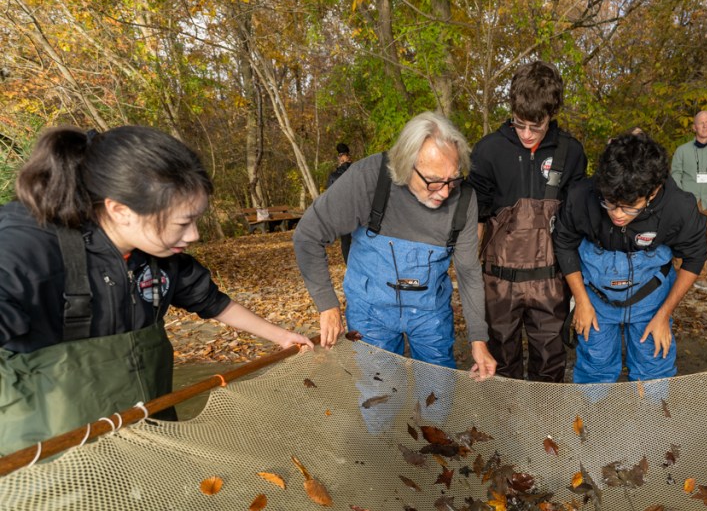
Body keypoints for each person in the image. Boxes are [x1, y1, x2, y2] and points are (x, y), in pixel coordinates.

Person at [0, 126, 314, 455]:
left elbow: (212, 302)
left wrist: (280, 336)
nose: (193, 235)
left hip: (146, 431)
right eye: (182, 223)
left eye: (196, 220)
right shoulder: (25, 248)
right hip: (50, 449)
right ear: (120, 210)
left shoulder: (160, 256)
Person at [293, 111, 497, 380]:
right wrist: (327, 305)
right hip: (370, 309)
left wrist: (478, 340)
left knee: (440, 392)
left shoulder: (464, 199)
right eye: (434, 182)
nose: (446, 192)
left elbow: (469, 272)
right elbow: (307, 234)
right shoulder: (368, 179)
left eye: (453, 179)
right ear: (405, 165)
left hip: (430, 310)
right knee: (380, 396)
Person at [553, 132, 707, 385]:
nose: (617, 215)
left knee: (654, 365)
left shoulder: (679, 205)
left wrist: (664, 314)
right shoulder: (581, 195)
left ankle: (651, 420)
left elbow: (695, 258)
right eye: (610, 203)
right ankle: (594, 421)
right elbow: (564, 243)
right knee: (595, 364)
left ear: (654, 191)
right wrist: (580, 301)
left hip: (651, 297)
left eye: (629, 207)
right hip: (595, 295)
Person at [468, 61, 587, 382]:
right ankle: (504, 428)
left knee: (550, 362)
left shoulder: (571, 152)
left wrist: (579, 284)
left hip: (551, 280)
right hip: (499, 282)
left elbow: (576, 225)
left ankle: (543, 428)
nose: (526, 134)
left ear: (552, 114)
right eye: (520, 125)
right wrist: (469, 274)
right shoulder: (488, 151)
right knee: (500, 362)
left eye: (537, 126)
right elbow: (476, 220)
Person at [671, 110, 707, 293]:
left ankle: (700, 277)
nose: (704, 125)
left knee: (704, 240)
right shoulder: (682, 150)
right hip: (687, 201)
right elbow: (675, 174)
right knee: (682, 238)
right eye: (700, 122)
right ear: (694, 127)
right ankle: (678, 277)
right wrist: (680, 198)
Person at [325, 142, 355, 260]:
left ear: (340, 157)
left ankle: (350, 266)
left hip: (343, 214)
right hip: (361, 212)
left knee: (346, 242)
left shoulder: (333, 176)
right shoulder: (359, 170)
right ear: (348, 156)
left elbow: (329, 198)